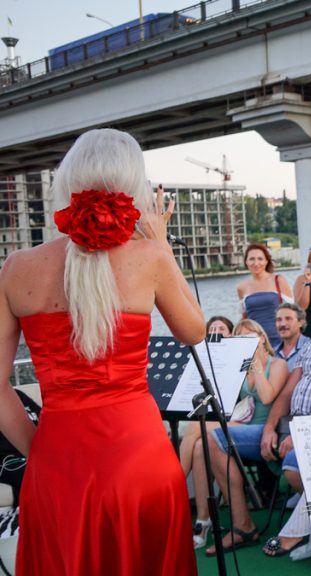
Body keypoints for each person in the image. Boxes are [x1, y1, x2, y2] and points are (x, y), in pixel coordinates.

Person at [0, 129, 206, 575]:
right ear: (133, 186)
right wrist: (163, 247)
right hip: (140, 458)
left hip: (58, 462)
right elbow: (195, 331)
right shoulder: (150, 257)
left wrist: (43, 451)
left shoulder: (16, 269)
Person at [207, 289, 311, 556]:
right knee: (216, 439)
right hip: (289, 425)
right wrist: (270, 428)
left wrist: (301, 433)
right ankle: (243, 525)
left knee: (293, 467)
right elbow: (286, 393)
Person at [190, 319, 288, 549]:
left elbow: (266, 397)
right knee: (198, 446)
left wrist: (255, 365)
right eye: (239, 338)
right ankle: (203, 519)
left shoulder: (277, 364)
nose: (245, 341)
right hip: (243, 427)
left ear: (262, 337)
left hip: (264, 430)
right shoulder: (242, 366)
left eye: (249, 336)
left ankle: (178, 485)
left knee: (204, 432)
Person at [236, 244, 292, 348]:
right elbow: (244, 318)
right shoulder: (241, 287)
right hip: (254, 342)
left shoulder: (278, 280)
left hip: (279, 339)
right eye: (252, 259)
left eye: (260, 259)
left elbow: (292, 311)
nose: (256, 263)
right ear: (246, 262)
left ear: (266, 261)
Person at [274, 302, 310, 372]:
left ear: (300, 323)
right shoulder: (272, 353)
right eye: (279, 320)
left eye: (288, 319)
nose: (283, 324)